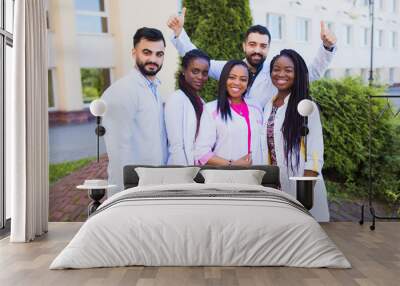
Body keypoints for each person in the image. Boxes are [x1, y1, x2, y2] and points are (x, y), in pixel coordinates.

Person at [167, 8, 337, 108]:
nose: (257, 50)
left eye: (263, 46)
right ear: (244, 46)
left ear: (269, 48)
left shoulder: (277, 73)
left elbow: (311, 73)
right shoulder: (229, 68)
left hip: (263, 139)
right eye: (252, 44)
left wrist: (327, 47)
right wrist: (179, 34)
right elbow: (199, 62)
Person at [262, 49, 329, 221]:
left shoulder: (307, 107)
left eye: (288, 70)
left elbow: (314, 157)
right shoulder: (269, 105)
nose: (281, 74)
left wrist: (303, 199)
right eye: (276, 69)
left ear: (297, 73)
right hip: (276, 190)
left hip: (301, 192)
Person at [101, 27, 168, 196]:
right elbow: (118, 152)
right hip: (132, 189)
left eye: (159, 54)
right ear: (134, 53)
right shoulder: (121, 91)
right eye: (147, 52)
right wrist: (123, 196)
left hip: (153, 182)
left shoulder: (155, 89)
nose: (153, 59)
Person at [194, 60, 263, 166]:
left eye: (243, 79)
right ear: (224, 79)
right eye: (232, 77)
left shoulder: (256, 107)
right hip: (226, 177)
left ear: (248, 83)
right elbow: (201, 153)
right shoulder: (211, 109)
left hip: (256, 178)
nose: (237, 83)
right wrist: (232, 164)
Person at [165, 49, 210, 165]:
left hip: (197, 171)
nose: (200, 77)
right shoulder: (176, 99)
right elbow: (176, 146)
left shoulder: (201, 102)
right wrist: (184, 176)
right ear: (184, 71)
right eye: (195, 71)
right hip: (182, 172)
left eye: (204, 73)